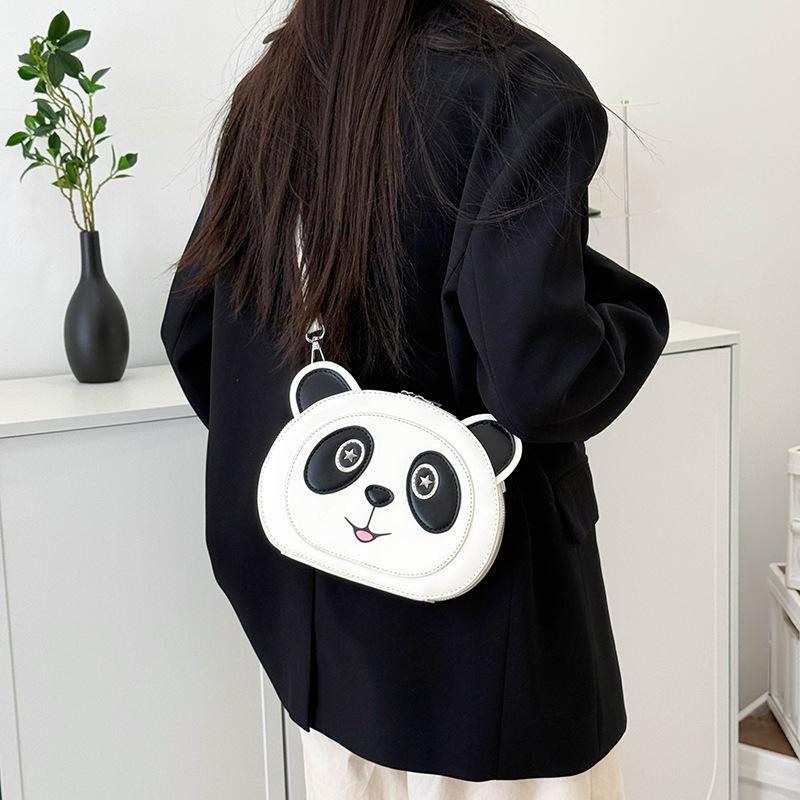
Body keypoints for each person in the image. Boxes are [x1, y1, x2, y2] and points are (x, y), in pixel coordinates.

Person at [161, 1, 669, 798]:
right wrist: (635, 318)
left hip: (327, 650)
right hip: (494, 669)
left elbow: (194, 331)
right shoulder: (523, 87)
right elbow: (540, 380)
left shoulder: (276, 88)